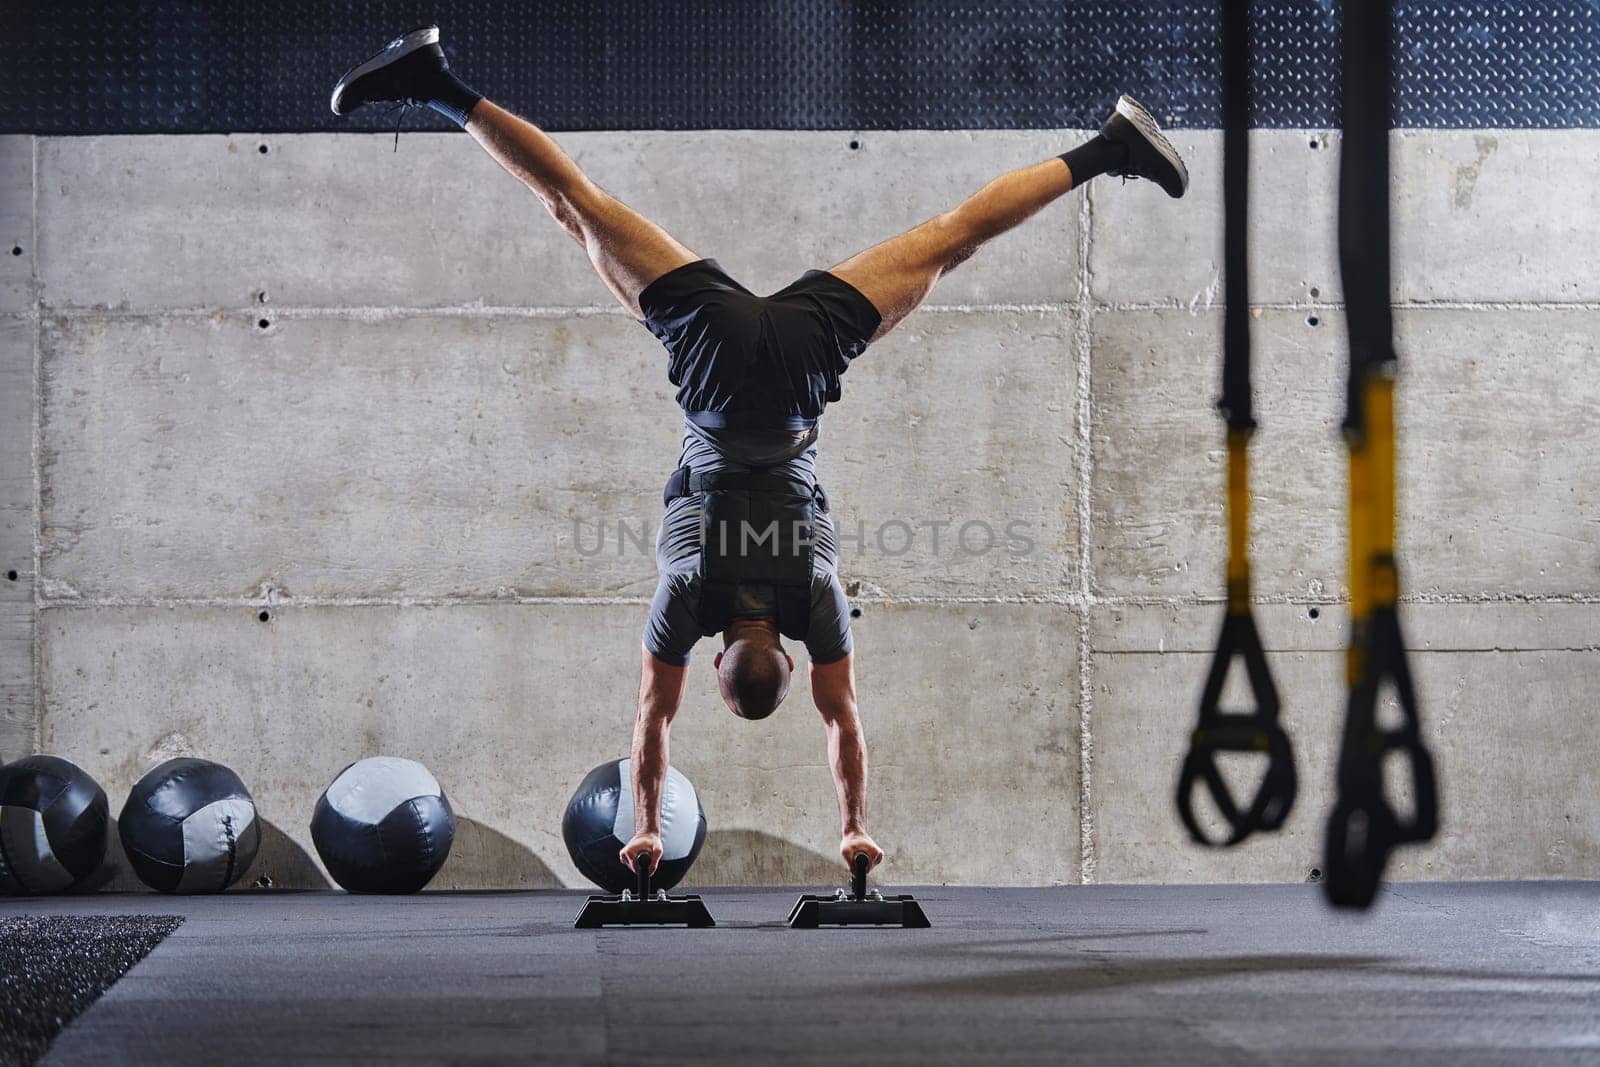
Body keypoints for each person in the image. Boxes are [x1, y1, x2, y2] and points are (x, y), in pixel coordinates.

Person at [332, 26, 1187, 879]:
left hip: (796, 368)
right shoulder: (684, 596)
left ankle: (1107, 147)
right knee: (573, 206)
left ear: (788, 656)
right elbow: (649, 721)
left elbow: (842, 722)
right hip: (713, 360)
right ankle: (435, 84)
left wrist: (856, 826)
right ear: (715, 664)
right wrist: (647, 831)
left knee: (951, 238)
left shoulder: (816, 601)